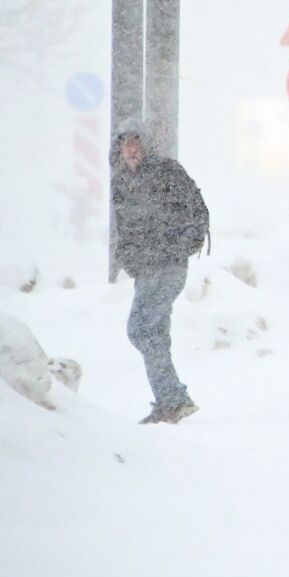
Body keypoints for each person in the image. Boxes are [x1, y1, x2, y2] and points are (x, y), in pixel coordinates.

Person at [112, 119, 208, 424]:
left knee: (140, 329)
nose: (130, 150)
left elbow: (198, 213)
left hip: (167, 266)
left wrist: (175, 247)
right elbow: (124, 227)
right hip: (145, 269)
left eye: (136, 142)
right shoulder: (123, 182)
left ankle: (173, 400)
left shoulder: (167, 172)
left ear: (147, 144)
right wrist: (126, 256)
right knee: (154, 333)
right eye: (125, 143)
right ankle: (172, 402)